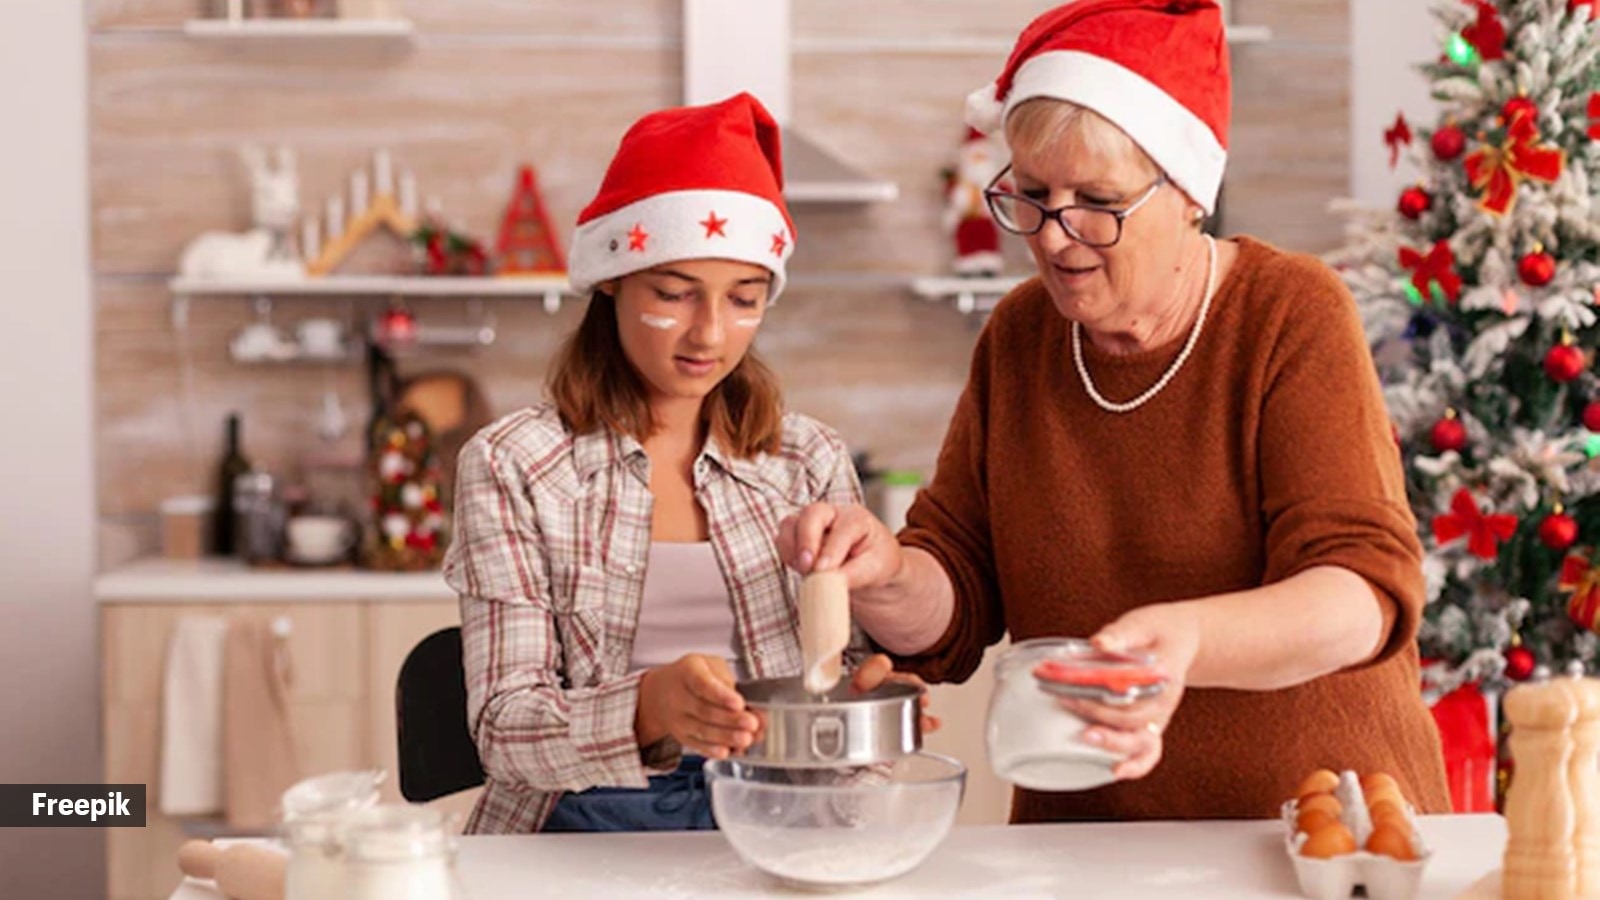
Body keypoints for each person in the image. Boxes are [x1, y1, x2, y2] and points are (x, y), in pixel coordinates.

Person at [779, 0, 1451, 823]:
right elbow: (955, 598)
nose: (1057, 237)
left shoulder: (1289, 313)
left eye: (1097, 200)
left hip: (1313, 832)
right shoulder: (1022, 334)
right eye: (1032, 194)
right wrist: (885, 573)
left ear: (1189, 195)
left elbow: (1359, 597)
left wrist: (1188, 645)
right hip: (1089, 842)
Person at [444, 93, 919, 834]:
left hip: (778, 816)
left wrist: (860, 715)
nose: (710, 333)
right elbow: (505, 730)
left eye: (744, 299)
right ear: (611, 279)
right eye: (674, 293)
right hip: (577, 822)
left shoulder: (807, 459)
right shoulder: (516, 465)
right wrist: (647, 709)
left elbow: (840, 694)